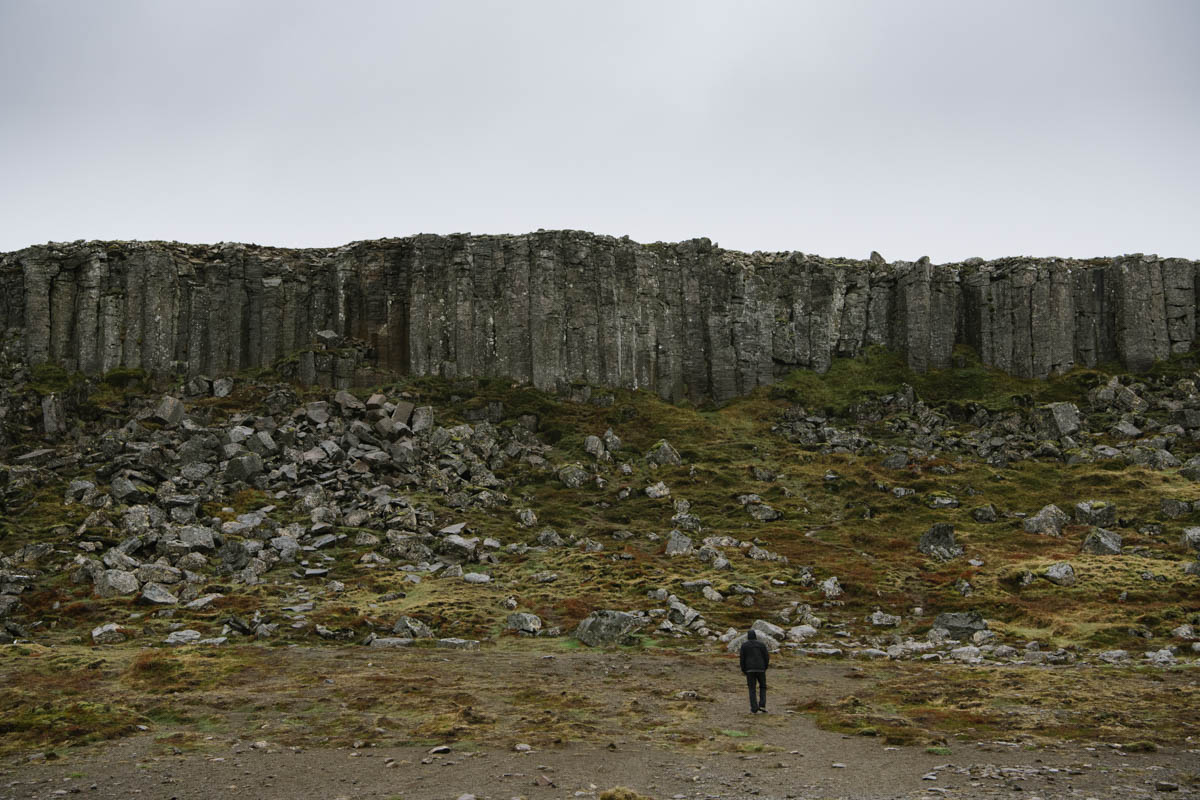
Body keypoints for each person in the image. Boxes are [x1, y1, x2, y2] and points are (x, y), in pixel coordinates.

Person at [739, 629, 769, 713]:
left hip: (749, 670)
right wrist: (765, 667)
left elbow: (742, 658)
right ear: (755, 636)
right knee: (763, 687)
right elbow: (766, 657)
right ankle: (762, 705)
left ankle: (754, 707)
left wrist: (744, 669)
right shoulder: (761, 645)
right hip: (761, 669)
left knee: (752, 688)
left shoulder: (744, 645)